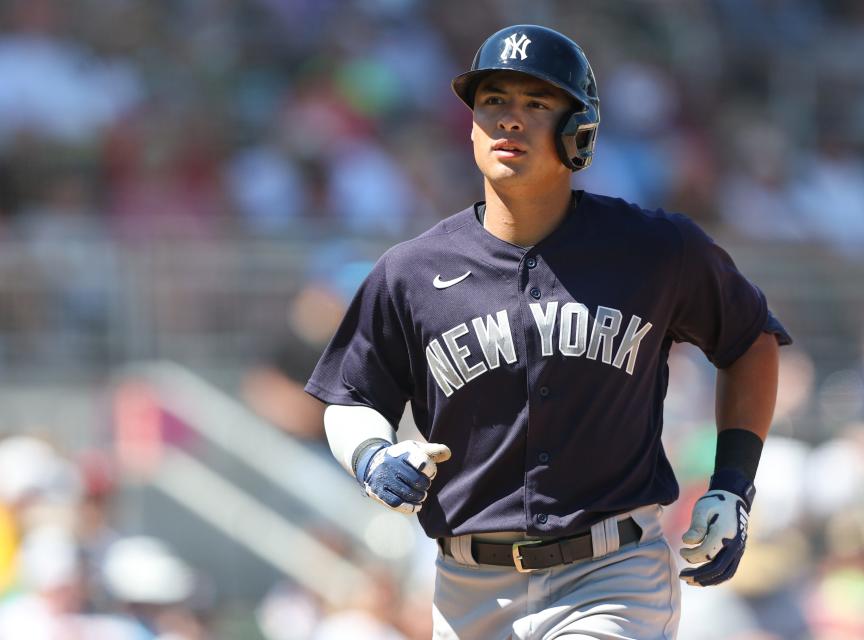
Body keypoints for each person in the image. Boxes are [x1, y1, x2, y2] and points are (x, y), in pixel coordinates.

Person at [305, 24, 791, 640]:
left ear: (578, 130)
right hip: (468, 589)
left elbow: (750, 341)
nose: (510, 120)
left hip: (612, 571)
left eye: (536, 104)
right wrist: (373, 454)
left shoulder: (655, 249)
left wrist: (733, 486)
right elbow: (351, 398)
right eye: (494, 102)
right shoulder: (411, 270)